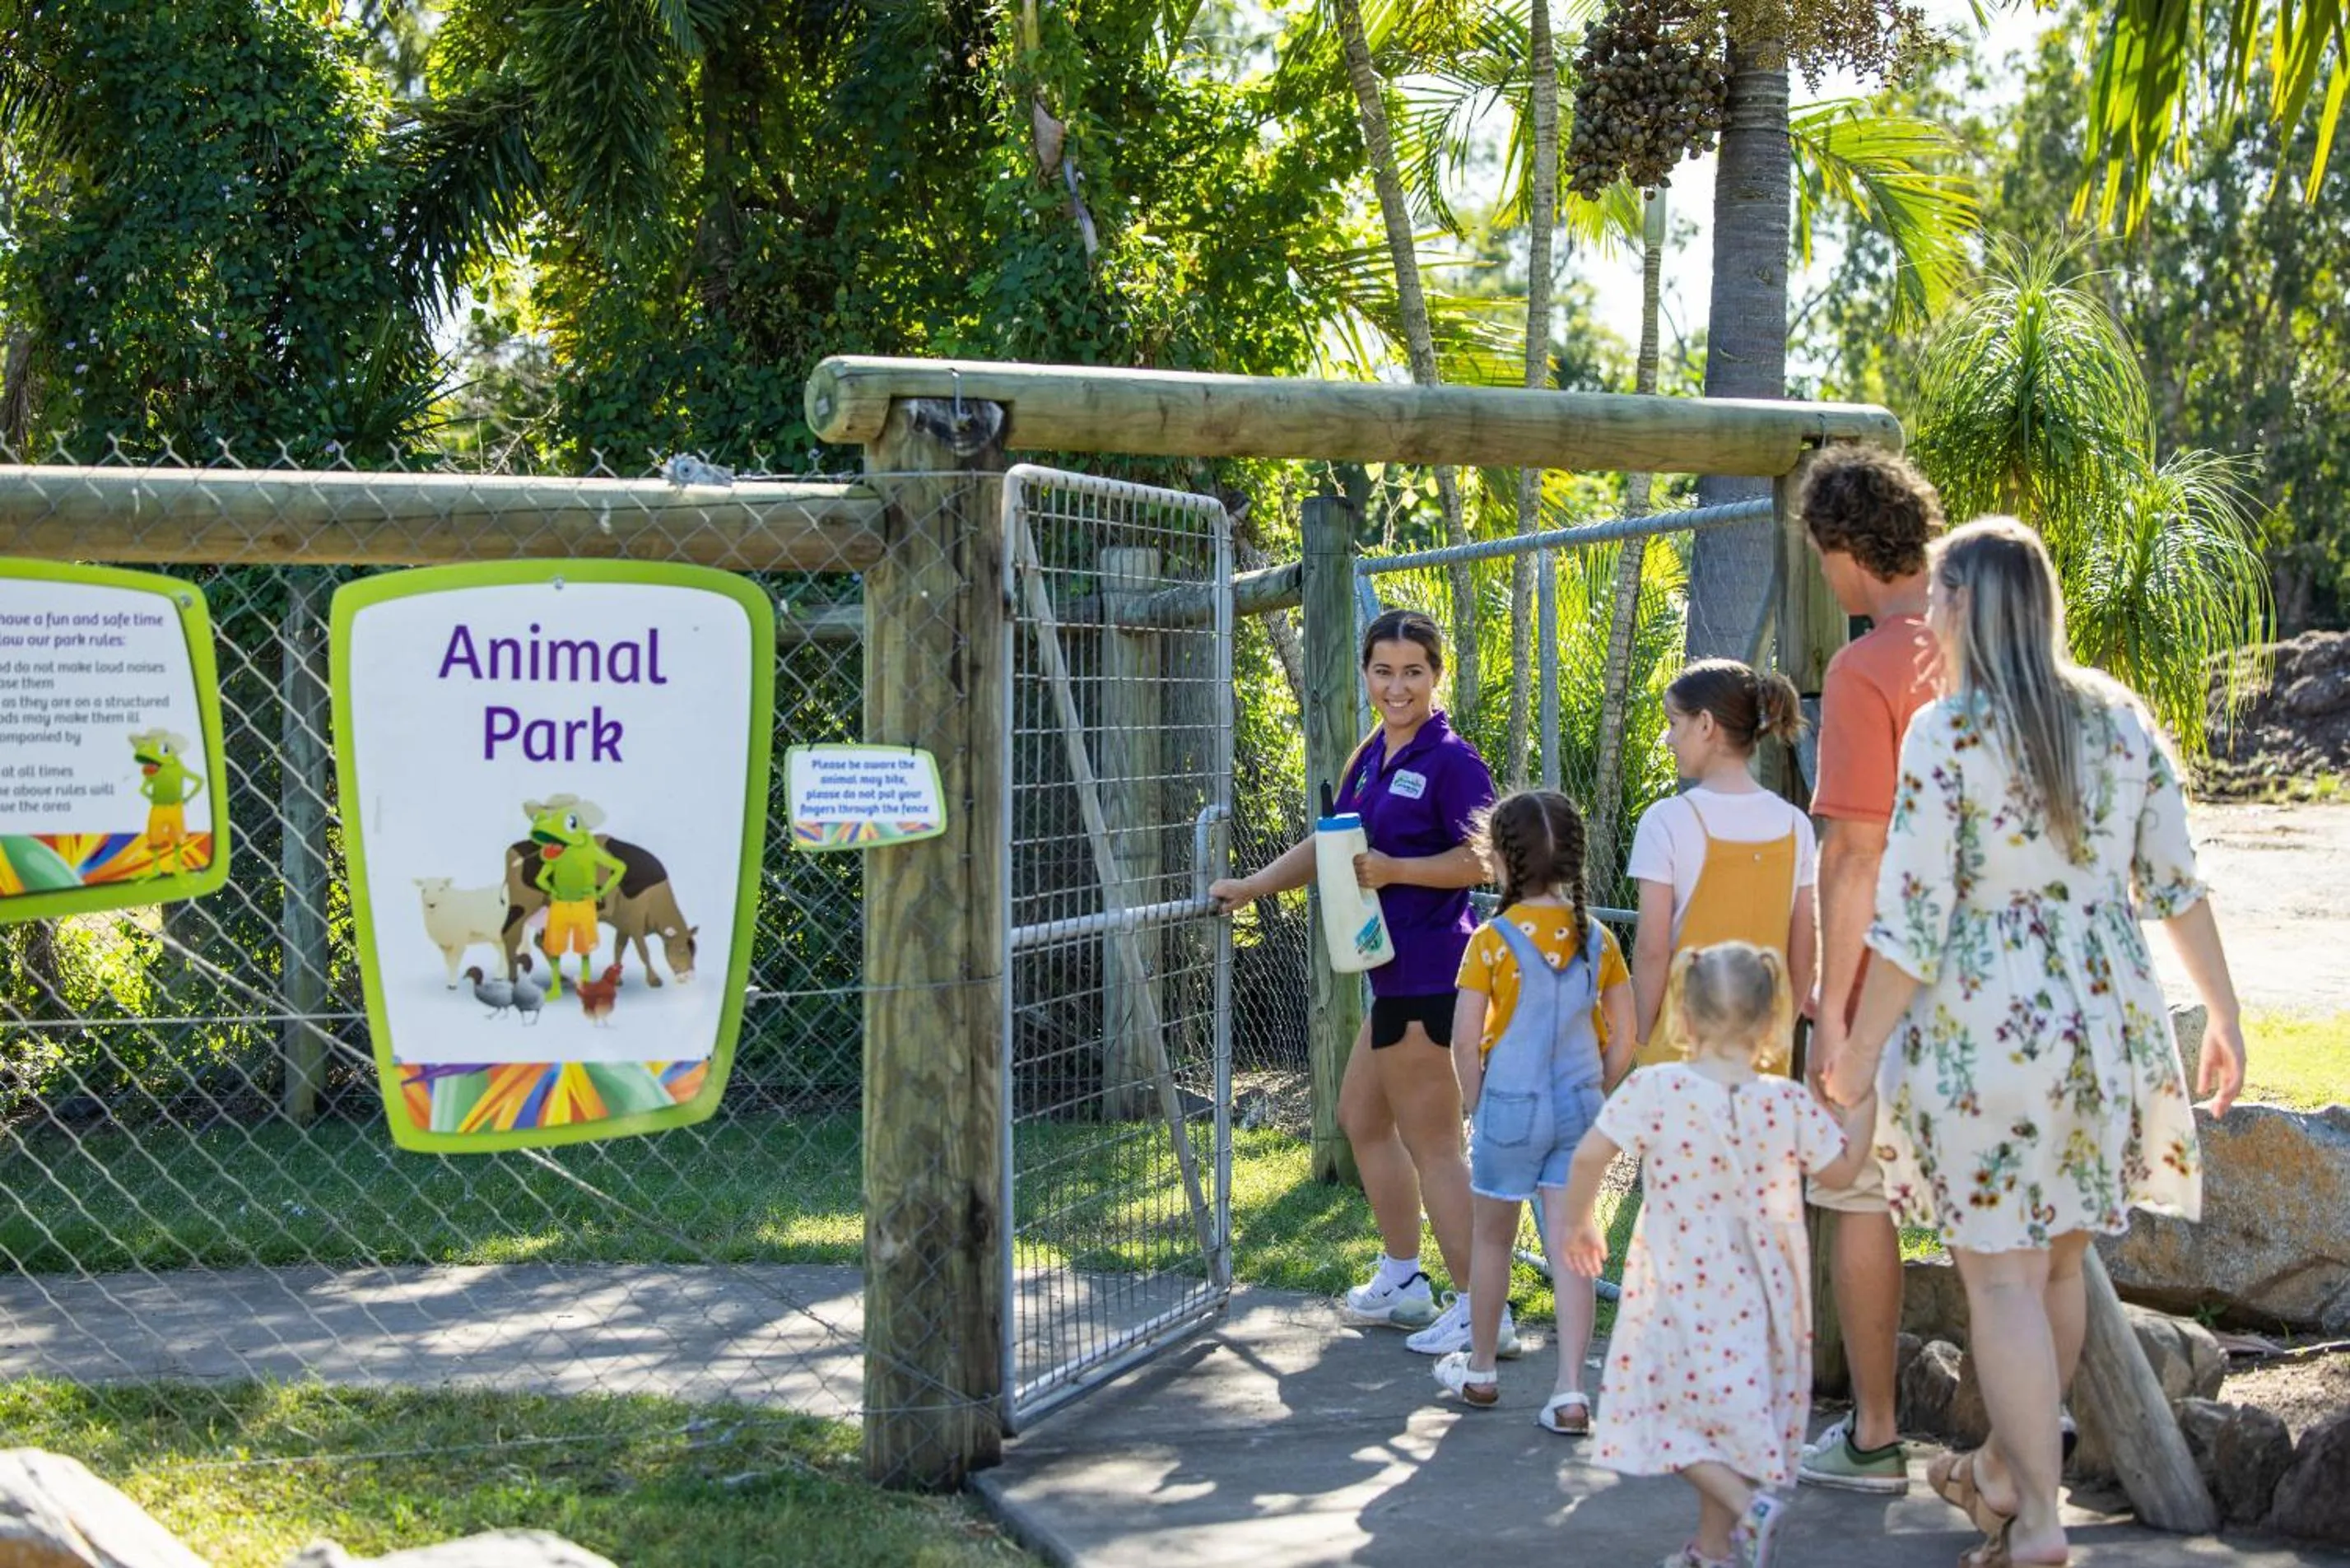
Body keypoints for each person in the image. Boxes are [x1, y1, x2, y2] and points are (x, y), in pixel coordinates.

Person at [1823, 518, 2249, 1568]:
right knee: (2057, 1271)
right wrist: (2225, 1015)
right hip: (2103, 1023)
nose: (1925, 615)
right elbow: (2176, 887)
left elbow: (1912, 920)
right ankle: (2012, 1479)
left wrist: (1858, 1053)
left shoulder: (1948, 732)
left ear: (1965, 604)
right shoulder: (2114, 719)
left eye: (1937, 598)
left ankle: (2041, 1522)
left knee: (2003, 1282)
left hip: (1984, 1024)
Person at [1208, 608, 1499, 1348]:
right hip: (1390, 974)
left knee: (1436, 1145)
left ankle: (1478, 1313)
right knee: (1361, 1119)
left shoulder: (1452, 761)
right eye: (1382, 671)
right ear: (1366, 674)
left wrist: (1401, 868)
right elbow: (1331, 843)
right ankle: (1404, 1280)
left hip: (1433, 972)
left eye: (1412, 671)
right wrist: (1251, 885)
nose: (1396, 685)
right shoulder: (1372, 755)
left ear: (1437, 675)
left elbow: (1487, 861)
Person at [1558, 942, 1877, 1568]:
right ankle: (1712, 1549)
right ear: (1767, 1021)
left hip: (1679, 1289)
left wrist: (1578, 1221)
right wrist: (1861, 1110)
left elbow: (1589, 1154)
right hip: (1760, 1293)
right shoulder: (1783, 1101)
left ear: (1686, 1014)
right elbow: (1841, 1171)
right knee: (1724, 1420)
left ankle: (1746, 1505)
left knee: (1662, 1407)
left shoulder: (1655, 1088)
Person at [1794, 443, 1944, 1495]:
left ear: (1843, 550)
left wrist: (1832, 1016)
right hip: (2014, 976)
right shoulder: (2008, 639)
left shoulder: (1863, 667)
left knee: (1854, 1194)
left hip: (1894, 972)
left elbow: (1853, 852)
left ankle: (1875, 1434)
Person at [1431, 790, 1636, 1433]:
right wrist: (1595, 1086)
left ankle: (1482, 1370)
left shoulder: (1490, 941)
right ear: (1576, 857)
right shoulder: (1597, 938)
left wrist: (1474, 1102)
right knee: (1573, 1246)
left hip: (1507, 1109)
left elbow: (1463, 1039)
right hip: (1578, 1108)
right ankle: (1571, 1391)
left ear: (1498, 859)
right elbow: (1625, 1034)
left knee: (1492, 1238)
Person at [1627, 661, 1817, 1067]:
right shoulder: (1795, 825)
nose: (1668, 738)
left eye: (1674, 722)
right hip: (1763, 1055)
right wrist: (1781, 1029)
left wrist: (1642, 1036)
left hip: (1679, 1055)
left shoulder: (1666, 821)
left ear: (1706, 724)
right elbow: (1804, 952)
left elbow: (1651, 949)